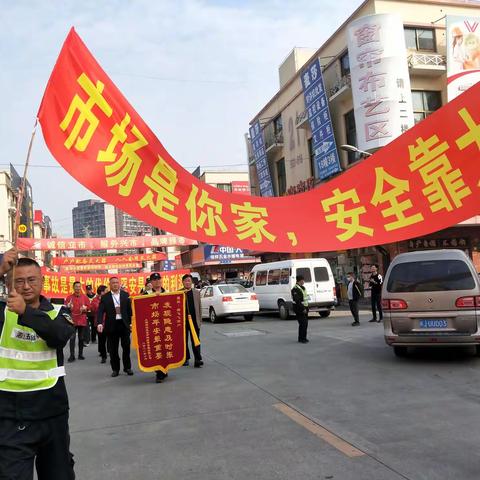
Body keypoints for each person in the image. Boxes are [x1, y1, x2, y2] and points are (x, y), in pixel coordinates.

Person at [0, 249, 76, 480]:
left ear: (42, 281)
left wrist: (26, 313)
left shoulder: (58, 311)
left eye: (31, 280)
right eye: (19, 280)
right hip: (11, 415)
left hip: (51, 411)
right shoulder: (3, 312)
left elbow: (60, 335)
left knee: (59, 474)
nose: (25, 286)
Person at [97, 277, 133, 377]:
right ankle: (115, 369)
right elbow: (100, 311)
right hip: (112, 325)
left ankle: (127, 367)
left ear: (119, 284)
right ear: (110, 285)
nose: (115, 284)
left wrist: (130, 323)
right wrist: (99, 323)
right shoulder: (105, 297)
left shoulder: (125, 295)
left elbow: (129, 311)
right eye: (113, 283)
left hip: (124, 324)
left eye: (117, 282)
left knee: (126, 348)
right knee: (113, 349)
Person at [145, 272, 168, 384]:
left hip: (166, 326)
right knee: (157, 349)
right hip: (153, 327)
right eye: (154, 280)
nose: (157, 281)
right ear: (151, 282)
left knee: (166, 348)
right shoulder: (146, 294)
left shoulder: (167, 293)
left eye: (158, 279)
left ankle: (165, 369)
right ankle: (159, 373)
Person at [182, 274, 203, 368]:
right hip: (183, 322)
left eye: (189, 280)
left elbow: (199, 307)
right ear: (182, 282)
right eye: (186, 280)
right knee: (184, 341)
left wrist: (200, 320)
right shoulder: (179, 293)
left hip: (194, 320)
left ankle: (197, 359)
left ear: (191, 282)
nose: (187, 282)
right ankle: (185, 358)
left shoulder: (196, 292)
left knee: (196, 340)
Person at [65, 281, 90, 362]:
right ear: (73, 287)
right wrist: (68, 306)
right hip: (72, 320)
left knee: (81, 338)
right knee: (72, 338)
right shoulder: (69, 297)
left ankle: (80, 354)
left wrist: (85, 308)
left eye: (79, 287)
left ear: (81, 288)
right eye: (76, 287)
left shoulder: (85, 297)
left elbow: (89, 307)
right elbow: (65, 308)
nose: (78, 288)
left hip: (82, 320)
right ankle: (72, 355)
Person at [90, 285, 108, 363]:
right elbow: (93, 309)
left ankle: (110, 352)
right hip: (100, 322)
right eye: (106, 291)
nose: (107, 292)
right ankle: (103, 355)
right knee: (101, 339)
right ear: (102, 292)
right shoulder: (95, 300)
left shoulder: (109, 298)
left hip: (108, 321)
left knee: (110, 339)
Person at [291, 275, 309, 343]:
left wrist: (307, 307)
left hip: (305, 308)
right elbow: (297, 301)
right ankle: (301, 339)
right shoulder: (295, 289)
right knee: (303, 323)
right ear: (300, 280)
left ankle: (304, 337)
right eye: (303, 280)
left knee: (305, 324)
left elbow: (305, 298)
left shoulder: (303, 288)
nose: (304, 281)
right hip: (299, 309)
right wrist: (302, 308)